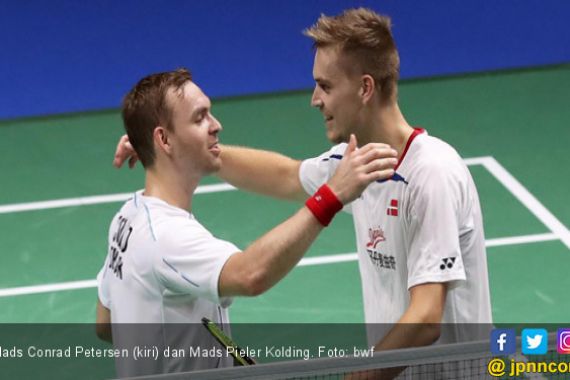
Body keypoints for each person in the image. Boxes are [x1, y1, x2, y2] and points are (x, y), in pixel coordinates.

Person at [114, 6, 491, 363]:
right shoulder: (355, 163)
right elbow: (286, 175)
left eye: (324, 86)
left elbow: (426, 317)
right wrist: (180, 149)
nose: (315, 100)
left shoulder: (431, 173)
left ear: (364, 88)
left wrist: (365, 371)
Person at [98, 68, 397, 377]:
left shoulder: (127, 217)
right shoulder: (167, 236)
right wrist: (332, 195)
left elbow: (105, 323)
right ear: (164, 138)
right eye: (200, 118)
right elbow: (251, 274)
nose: (216, 126)